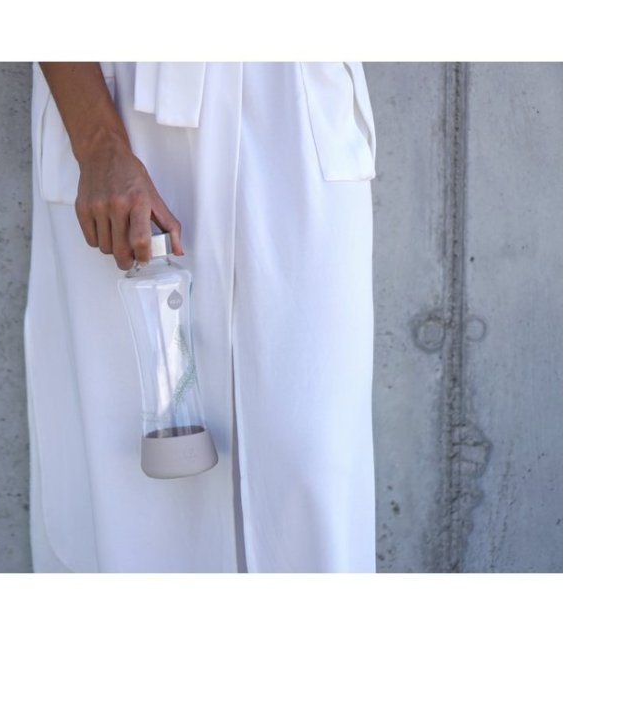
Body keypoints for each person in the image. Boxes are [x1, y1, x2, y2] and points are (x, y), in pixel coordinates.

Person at [24, 62, 377, 572]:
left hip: (293, 109)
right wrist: (99, 145)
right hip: (122, 109)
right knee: (140, 489)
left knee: (312, 464)